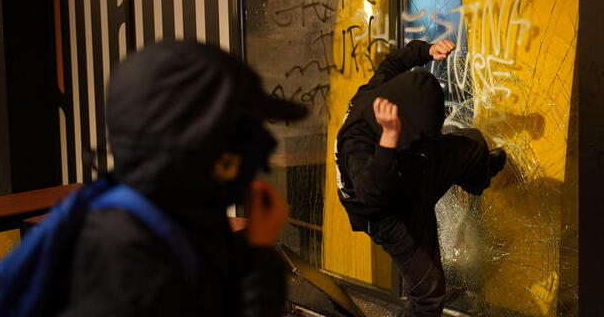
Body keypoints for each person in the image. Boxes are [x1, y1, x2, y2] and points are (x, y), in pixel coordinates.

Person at [58, 40, 307, 317]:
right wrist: (261, 255)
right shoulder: (130, 254)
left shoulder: (182, 219)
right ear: (191, 143)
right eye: (238, 133)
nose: (259, 150)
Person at [335, 39, 507, 317]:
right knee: (428, 296)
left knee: (471, 144)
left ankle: (480, 176)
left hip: (415, 164)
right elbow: (371, 191)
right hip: (389, 211)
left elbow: (393, 63)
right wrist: (390, 138)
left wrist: (426, 51)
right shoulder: (356, 141)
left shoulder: (379, 90)